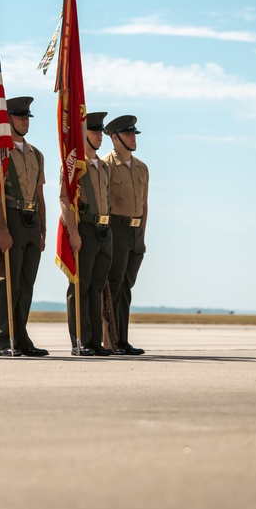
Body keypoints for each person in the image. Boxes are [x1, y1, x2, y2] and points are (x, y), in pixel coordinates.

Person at [0, 96, 49, 357]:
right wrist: (2, 230)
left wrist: (43, 230)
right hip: (10, 218)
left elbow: (40, 195)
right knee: (6, 283)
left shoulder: (36, 154)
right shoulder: (0, 154)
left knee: (26, 284)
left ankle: (21, 338)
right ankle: (4, 340)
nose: (25, 121)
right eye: (20, 116)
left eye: (27, 117)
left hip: (31, 221)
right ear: (7, 119)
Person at [60, 111, 114, 356]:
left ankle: (94, 342)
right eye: (94, 131)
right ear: (83, 134)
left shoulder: (102, 166)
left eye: (101, 131)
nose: (99, 136)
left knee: (96, 287)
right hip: (85, 229)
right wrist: (73, 233)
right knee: (79, 287)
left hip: (104, 230)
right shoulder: (74, 166)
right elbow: (64, 198)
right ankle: (79, 340)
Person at [103, 115, 149, 356]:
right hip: (116, 229)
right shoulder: (105, 165)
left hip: (135, 232)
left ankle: (123, 340)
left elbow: (144, 204)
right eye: (128, 134)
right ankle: (111, 341)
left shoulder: (142, 168)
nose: (133, 137)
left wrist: (141, 233)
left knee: (127, 287)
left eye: (134, 134)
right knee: (113, 286)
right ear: (115, 137)